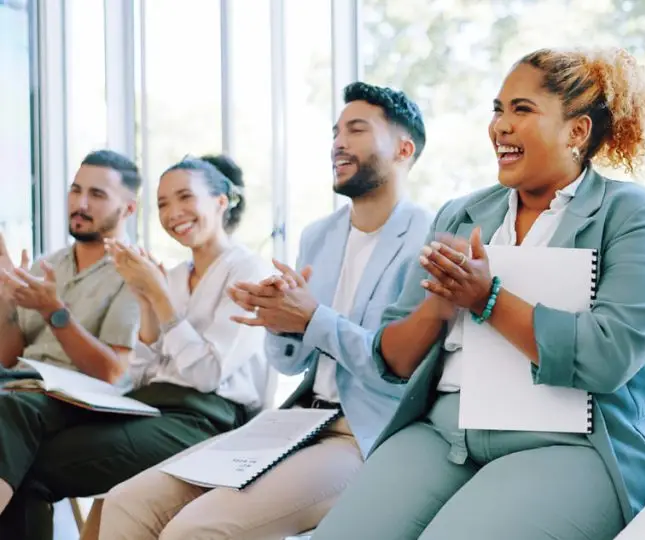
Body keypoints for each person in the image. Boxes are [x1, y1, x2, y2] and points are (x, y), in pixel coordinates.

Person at [311, 48, 645, 540]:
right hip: (446, 431)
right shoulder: (459, 216)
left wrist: (488, 299)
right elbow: (395, 363)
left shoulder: (637, 216)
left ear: (577, 132)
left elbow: (608, 357)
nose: (500, 126)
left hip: (573, 443)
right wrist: (440, 305)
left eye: (522, 110)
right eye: (498, 109)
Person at [97, 82, 433, 540]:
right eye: (335, 131)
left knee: (194, 530)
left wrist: (311, 318)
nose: (337, 142)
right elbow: (290, 362)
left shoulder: (427, 237)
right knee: (127, 503)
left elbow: (394, 369)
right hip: (300, 419)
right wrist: (278, 318)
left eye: (356, 129)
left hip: (365, 432)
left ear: (403, 148)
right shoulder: (320, 234)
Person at [0, 154, 275, 540]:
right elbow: (142, 372)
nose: (173, 212)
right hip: (151, 406)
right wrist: (148, 302)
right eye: (163, 203)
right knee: (18, 457)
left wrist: (158, 297)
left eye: (184, 197)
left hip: (210, 419)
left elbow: (207, 374)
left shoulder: (250, 270)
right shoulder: (176, 276)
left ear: (220, 201)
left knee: (28, 463)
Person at [0, 149, 143, 535]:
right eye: (75, 190)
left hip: (81, 398)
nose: (79, 203)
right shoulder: (50, 263)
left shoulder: (135, 273)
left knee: (8, 409)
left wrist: (54, 312)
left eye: (97, 195)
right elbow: (8, 355)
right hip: (23, 385)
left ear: (128, 209)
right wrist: (4, 301)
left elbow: (112, 372)